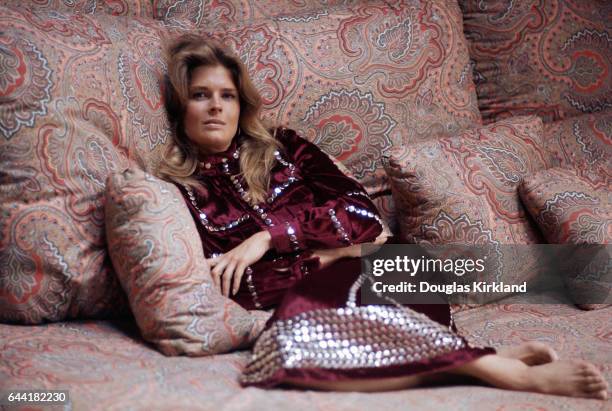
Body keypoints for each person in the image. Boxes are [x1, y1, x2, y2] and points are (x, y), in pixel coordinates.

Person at [157, 34, 608, 400]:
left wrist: (269, 239)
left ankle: (500, 372)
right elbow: (238, 285)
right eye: (201, 95)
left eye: (227, 95)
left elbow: (361, 218)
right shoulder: (182, 192)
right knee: (282, 352)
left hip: (386, 268)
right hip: (307, 294)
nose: (216, 106)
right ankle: (479, 359)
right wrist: (319, 258)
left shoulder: (286, 148)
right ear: (183, 109)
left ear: (241, 106)